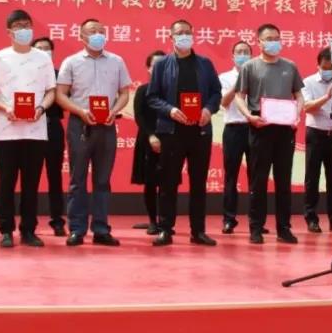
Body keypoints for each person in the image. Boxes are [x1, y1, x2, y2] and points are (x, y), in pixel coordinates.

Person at [55, 19, 132, 247]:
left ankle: (101, 229)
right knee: (77, 179)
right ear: (81, 36)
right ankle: (77, 229)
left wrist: (114, 111)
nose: (97, 35)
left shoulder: (117, 61)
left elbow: (124, 93)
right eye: (92, 31)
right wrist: (80, 111)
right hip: (80, 124)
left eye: (101, 31)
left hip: (107, 124)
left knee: (103, 180)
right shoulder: (71, 62)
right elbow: (60, 94)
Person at [0, 10, 56, 248]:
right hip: (7, 131)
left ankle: (28, 230)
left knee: (31, 184)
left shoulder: (43, 58)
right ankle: (6, 230)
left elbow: (51, 91)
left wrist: (41, 109)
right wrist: (6, 108)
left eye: (27, 25)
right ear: (9, 31)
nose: (24, 29)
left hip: (36, 130)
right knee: (6, 183)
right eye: (18, 26)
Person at [146, 20, 222, 247]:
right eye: (179, 33)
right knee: (168, 183)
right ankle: (165, 229)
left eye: (188, 32)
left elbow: (216, 93)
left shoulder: (205, 64)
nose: (184, 36)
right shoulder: (162, 65)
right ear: (171, 37)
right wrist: (170, 110)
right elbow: (152, 97)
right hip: (171, 131)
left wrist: (208, 109)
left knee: (198, 183)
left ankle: (198, 231)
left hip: (199, 131)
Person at [233, 23, 303, 245]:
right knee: (258, 180)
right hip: (260, 126)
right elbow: (239, 96)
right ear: (259, 42)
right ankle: (256, 228)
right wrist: (248, 116)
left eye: (276, 38)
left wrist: (297, 114)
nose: (274, 42)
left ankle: (284, 228)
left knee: (283, 180)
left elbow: (299, 95)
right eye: (269, 38)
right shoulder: (250, 67)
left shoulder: (290, 66)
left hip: (285, 127)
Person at [302, 47, 332, 234]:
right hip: (315, 133)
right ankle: (311, 218)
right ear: (318, 65)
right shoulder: (308, 82)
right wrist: (326, 97)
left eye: (331, 68)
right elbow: (307, 107)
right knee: (312, 177)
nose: (328, 71)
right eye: (325, 67)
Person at [32, 36, 66, 236]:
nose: (44, 51)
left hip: (53, 126)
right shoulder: (26, 73)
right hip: (30, 127)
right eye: (39, 48)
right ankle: (30, 221)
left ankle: (57, 220)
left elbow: (66, 100)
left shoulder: (59, 75)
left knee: (55, 176)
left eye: (47, 48)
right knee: (31, 176)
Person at [219, 41, 253, 235]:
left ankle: (256, 220)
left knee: (256, 177)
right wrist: (239, 81)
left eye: (246, 52)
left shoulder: (258, 75)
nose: (242, 55)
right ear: (233, 56)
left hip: (255, 129)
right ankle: (229, 219)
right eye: (239, 52)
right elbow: (224, 102)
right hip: (233, 129)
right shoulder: (224, 77)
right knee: (231, 176)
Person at [131, 50, 166, 236]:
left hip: (169, 140)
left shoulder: (172, 90)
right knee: (151, 182)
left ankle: (166, 221)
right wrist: (151, 135)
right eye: (155, 65)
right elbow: (139, 116)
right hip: (148, 139)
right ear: (148, 68)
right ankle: (153, 221)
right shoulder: (143, 90)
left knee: (167, 183)